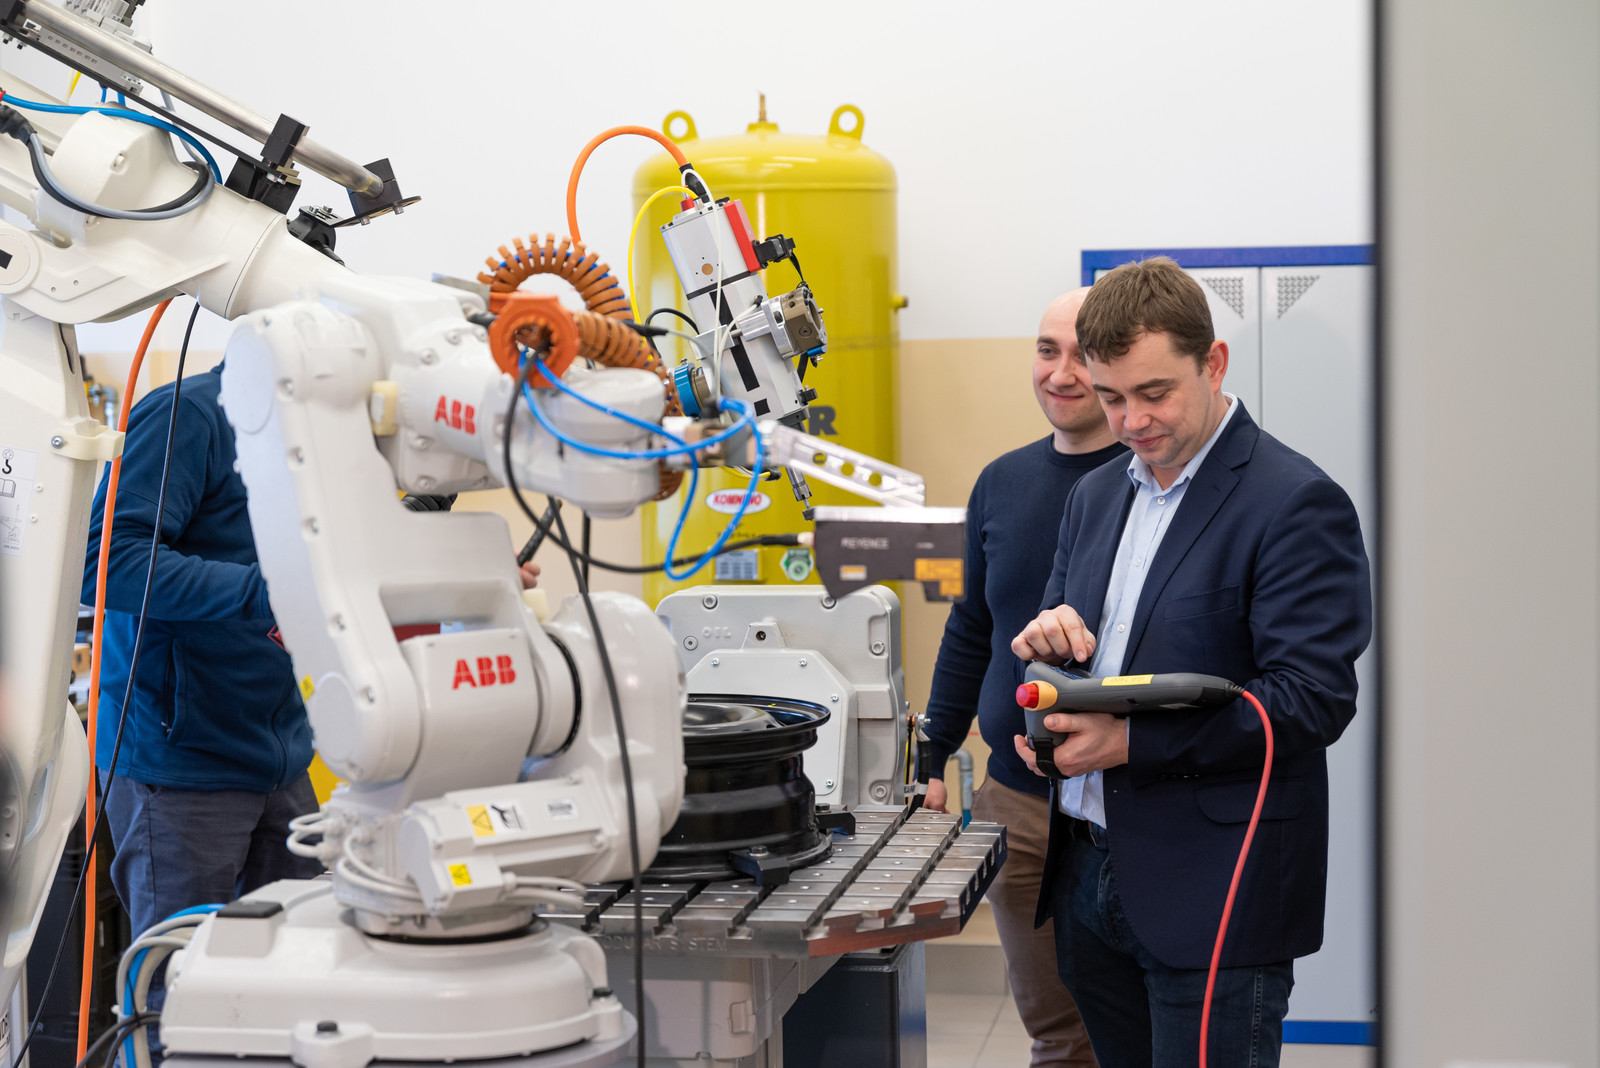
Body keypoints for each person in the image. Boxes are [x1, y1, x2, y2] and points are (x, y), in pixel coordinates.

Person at [1010, 258, 1371, 1068]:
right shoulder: (1095, 496)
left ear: (1213, 363)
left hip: (1215, 889)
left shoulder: (1293, 502)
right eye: (1111, 397)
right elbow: (1062, 665)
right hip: (1088, 875)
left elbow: (1310, 698)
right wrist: (1045, 678)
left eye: (1154, 392)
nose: (1131, 420)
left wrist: (1129, 744)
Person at [82, 362, 543, 939]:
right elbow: (108, 562)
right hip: (182, 766)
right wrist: (273, 590)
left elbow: (355, 559)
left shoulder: (330, 427)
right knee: (179, 973)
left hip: (282, 755)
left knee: (296, 958)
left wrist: (468, 571)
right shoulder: (188, 414)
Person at [923, 287, 1125, 1068]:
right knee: (1055, 1032)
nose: (1061, 373)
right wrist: (931, 753)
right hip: (1014, 800)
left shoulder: (1147, 484)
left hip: (1121, 803)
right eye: (1047, 350)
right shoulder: (1000, 482)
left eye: (1082, 354)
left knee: (1132, 1030)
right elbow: (972, 626)